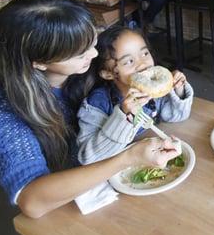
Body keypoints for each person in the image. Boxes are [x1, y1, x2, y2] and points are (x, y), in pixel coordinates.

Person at [0, 0, 180, 218]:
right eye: (80, 53)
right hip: (71, 203)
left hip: (118, 174)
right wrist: (129, 158)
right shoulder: (1, 102)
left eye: (92, 42)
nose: (94, 53)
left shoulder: (85, 67)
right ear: (39, 62)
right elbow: (32, 201)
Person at [76, 25, 193, 164]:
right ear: (108, 74)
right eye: (129, 61)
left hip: (150, 157)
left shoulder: (151, 92)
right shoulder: (96, 105)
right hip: (114, 170)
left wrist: (178, 90)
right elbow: (87, 158)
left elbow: (176, 116)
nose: (142, 63)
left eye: (144, 54)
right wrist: (124, 115)